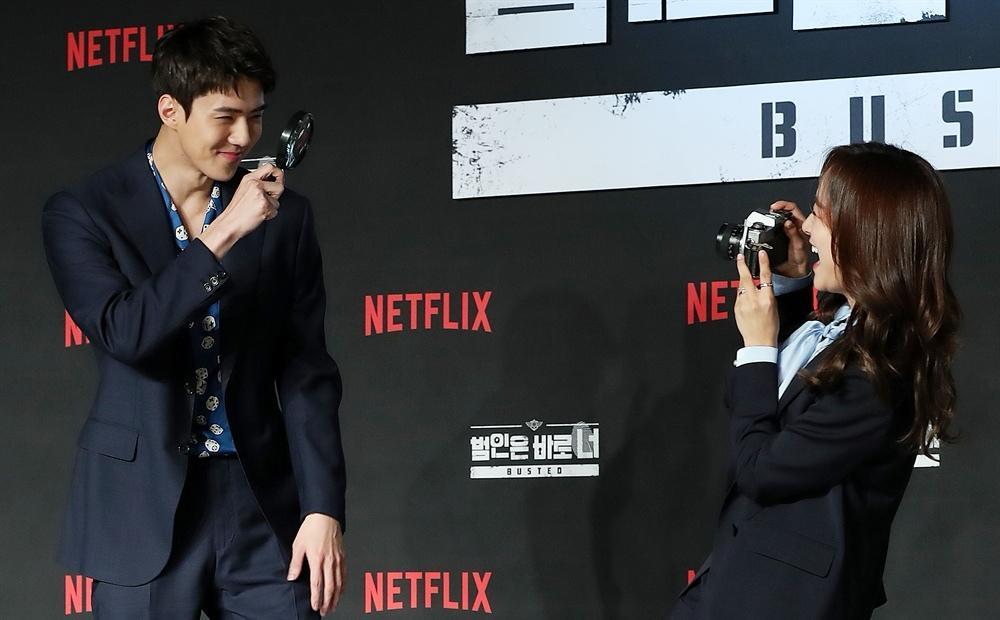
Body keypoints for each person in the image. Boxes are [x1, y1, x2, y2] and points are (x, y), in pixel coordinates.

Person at [42, 16, 346, 619]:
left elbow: (306, 369)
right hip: (141, 508)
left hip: (262, 506)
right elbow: (125, 331)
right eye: (225, 116)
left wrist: (322, 508)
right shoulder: (83, 211)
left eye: (256, 116)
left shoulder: (286, 217)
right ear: (171, 110)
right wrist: (226, 232)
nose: (244, 135)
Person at [670, 142, 960, 619]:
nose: (806, 227)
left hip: (787, 602)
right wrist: (787, 286)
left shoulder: (883, 372)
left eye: (821, 213)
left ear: (864, 233)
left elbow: (760, 471)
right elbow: (750, 399)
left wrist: (759, 347)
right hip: (731, 582)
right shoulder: (836, 326)